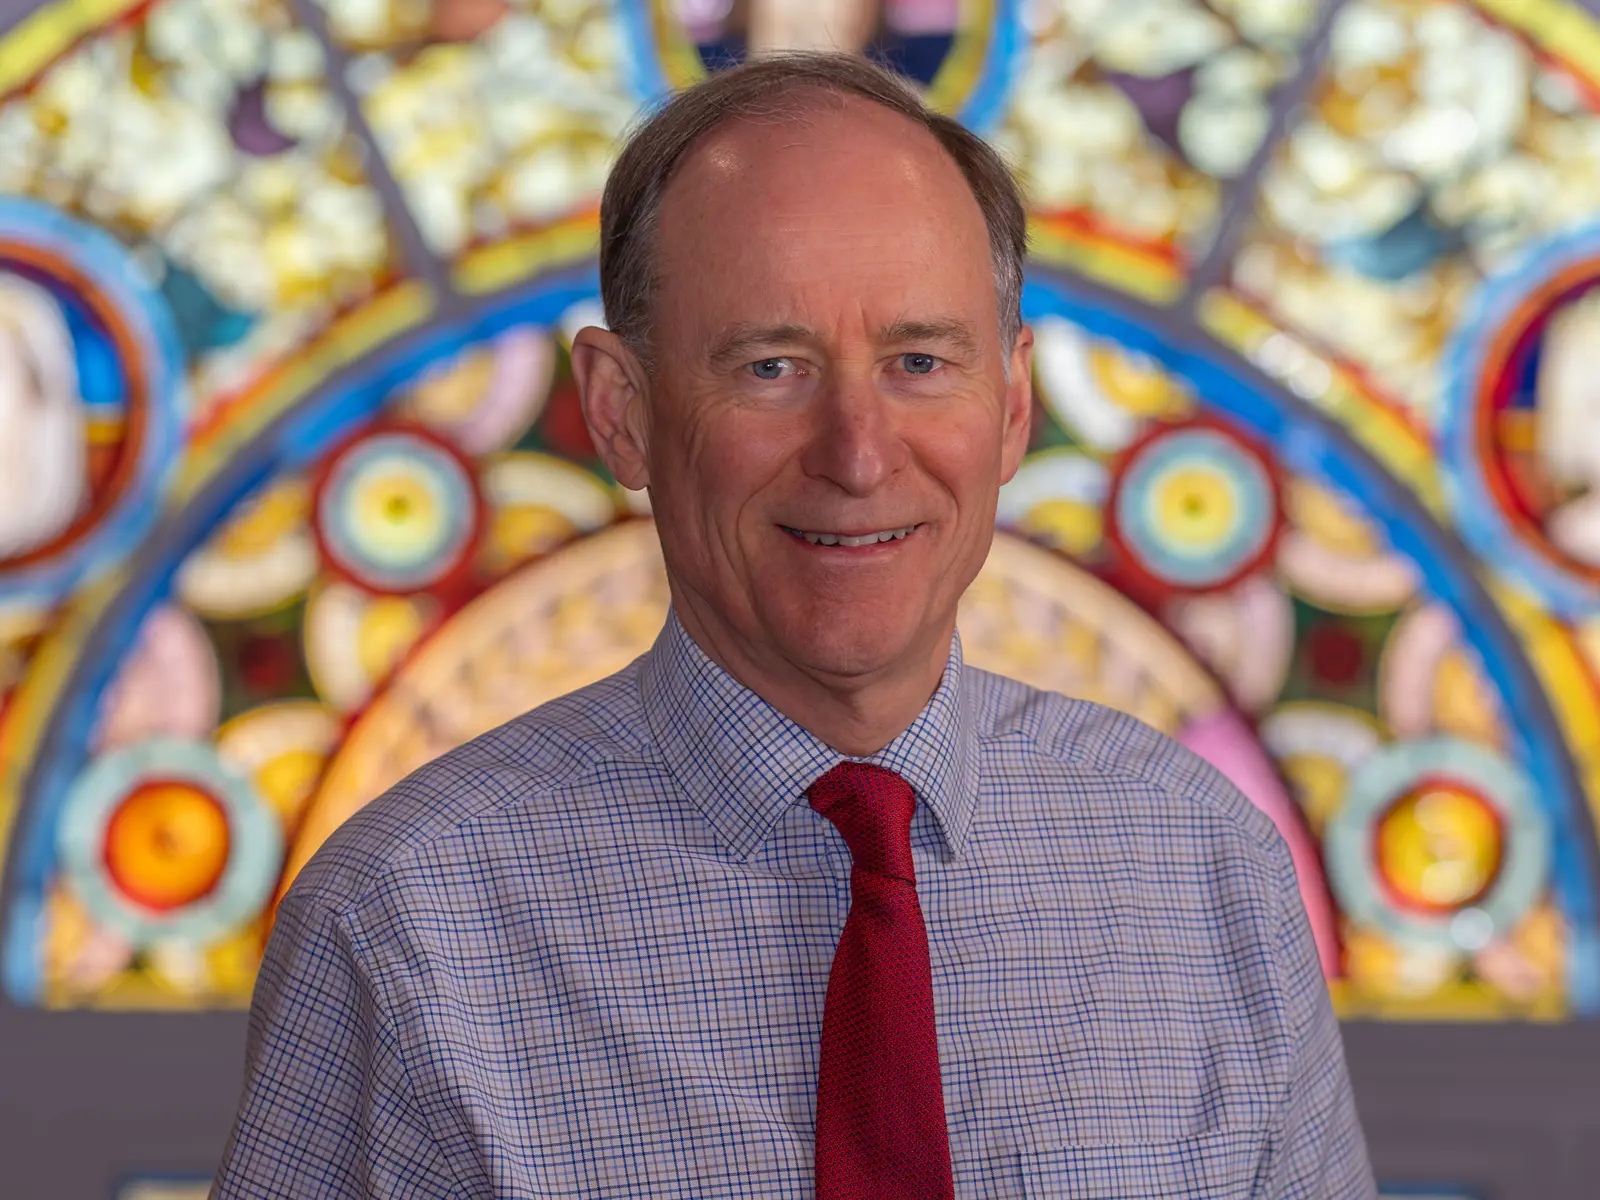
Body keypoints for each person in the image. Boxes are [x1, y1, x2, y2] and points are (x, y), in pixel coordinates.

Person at [213, 52, 1374, 1199]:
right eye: (772, 368)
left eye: (920, 362)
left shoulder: (1206, 874)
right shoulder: (403, 925)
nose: (859, 456)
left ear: (1013, 407)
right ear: (621, 413)